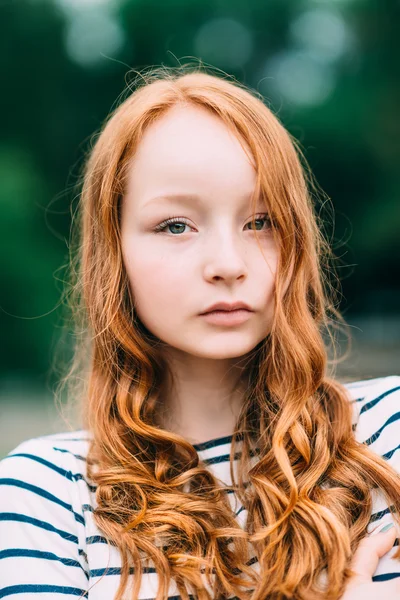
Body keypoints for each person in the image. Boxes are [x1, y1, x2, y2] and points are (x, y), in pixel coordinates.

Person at [0, 65, 399, 600]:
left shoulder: (387, 439)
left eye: (261, 221)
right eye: (175, 226)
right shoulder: (45, 495)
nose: (228, 263)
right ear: (113, 254)